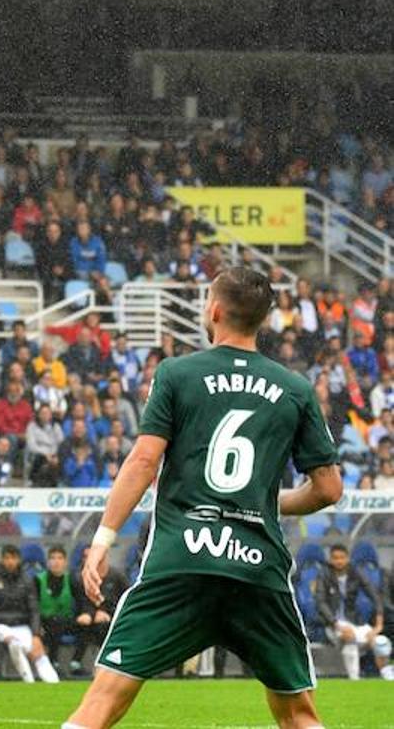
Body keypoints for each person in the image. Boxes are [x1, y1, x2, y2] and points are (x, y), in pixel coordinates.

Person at [66, 267, 344, 729]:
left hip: (181, 560)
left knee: (103, 702)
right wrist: (264, 502)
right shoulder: (295, 388)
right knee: (298, 715)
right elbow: (329, 489)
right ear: (264, 320)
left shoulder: (177, 373)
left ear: (213, 310)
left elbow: (141, 462)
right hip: (257, 567)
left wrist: (103, 538)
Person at [0, 544, 60, 684]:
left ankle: (54, 684)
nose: (10, 562)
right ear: (2, 559)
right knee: (14, 644)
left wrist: (36, 635)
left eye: (13, 558)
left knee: (38, 653)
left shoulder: (27, 581)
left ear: (19, 560)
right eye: (7, 558)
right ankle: (29, 682)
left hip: (22, 625)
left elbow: (34, 610)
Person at [314, 543, 392, 681]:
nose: (339, 561)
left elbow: (375, 596)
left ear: (348, 558)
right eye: (335, 558)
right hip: (331, 625)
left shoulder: (355, 573)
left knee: (382, 642)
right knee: (349, 638)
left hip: (354, 621)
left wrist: (378, 626)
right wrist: (337, 624)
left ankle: (386, 675)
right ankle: (354, 679)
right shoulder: (324, 575)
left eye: (342, 557)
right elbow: (321, 603)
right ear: (330, 559)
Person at [37, 546, 80, 677]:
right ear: (48, 562)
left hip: (66, 621)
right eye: (52, 558)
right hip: (44, 622)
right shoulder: (38, 580)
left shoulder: (71, 579)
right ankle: (53, 662)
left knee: (89, 626)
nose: (56, 561)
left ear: (66, 562)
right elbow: (32, 606)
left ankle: (76, 663)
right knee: (54, 623)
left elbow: (81, 600)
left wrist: (86, 614)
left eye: (60, 558)